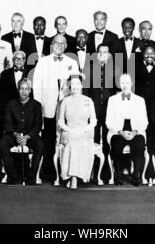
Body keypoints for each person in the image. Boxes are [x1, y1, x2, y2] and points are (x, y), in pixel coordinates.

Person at [32, 34, 79, 180]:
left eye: (62, 44)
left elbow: (75, 85)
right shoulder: (43, 61)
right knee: (49, 138)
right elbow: (37, 85)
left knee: (64, 139)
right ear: (52, 45)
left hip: (66, 108)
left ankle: (65, 171)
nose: (59, 46)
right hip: (48, 107)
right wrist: (38, 106)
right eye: (56, 43)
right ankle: (48, 172)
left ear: (66, 46)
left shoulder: (72, 62)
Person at [83, 43, 120, 182]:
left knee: (107, 140)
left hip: (109, 110)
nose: (103, 54)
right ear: (96, 54)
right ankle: (91, 173)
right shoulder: (89, 69)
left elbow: (118, 92)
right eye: (100, 52)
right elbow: (85, 93)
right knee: (93, 140)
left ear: (109, 55)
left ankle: (106, 174)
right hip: (94, 110)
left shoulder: (116, 70)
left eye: (106, 52)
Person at [0, 78, 44, 185]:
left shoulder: (36, 105)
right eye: (21, 89)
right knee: (2, 143)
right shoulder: (10, 104)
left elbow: (38, 125)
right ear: (17, 90)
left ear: (30, 91)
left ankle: (31, 177)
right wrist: (15, 135)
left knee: (40, 145)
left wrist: (27, 137)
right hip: (14, 134)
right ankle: (12, 176)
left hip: (30, 135)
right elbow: (7, 123)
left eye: (27, 89)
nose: (24, 92)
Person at [106, 74, 148, 187]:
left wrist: (134, 132)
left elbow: (144, 121)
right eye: (122, 83)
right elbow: (108, 120)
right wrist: (120, 132)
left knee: (139, 143)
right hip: (118, 130)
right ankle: (118, 174)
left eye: (127, 83)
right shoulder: (112, 100)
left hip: (135, 130)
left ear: (132, 83)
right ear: (119, 84)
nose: (125, 86)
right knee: (116, 144)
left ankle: (136, 175)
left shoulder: (140, 100)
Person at [58, 76, 97, 189]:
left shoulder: (88, 100)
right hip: (68, 130)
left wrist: (83, 130)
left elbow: (93, 121)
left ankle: (75, 177)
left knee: (79, 139)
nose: (75, 86)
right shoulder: (65, 101)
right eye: (73, 84)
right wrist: (70, 130)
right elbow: (61, 121)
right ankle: (73, 177)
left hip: (84, 131)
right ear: (70, 87)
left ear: (81, 86)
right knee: (73, 140)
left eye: (77, 84)